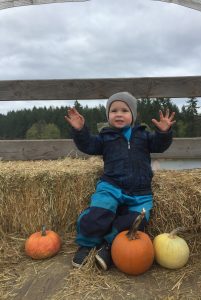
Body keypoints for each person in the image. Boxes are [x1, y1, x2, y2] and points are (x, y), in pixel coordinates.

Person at [65, 91, 175, 270]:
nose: (118, 114)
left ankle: (109, 246)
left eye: (124, 110)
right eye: (113, 110)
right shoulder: (105, 137)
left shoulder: (144, 136)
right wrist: (80, 131)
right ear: (108, 115)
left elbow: (160, 146)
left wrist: (164, 132)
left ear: (133, 115)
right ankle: (87, 244)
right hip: (111, 187)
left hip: (140, 193)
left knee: (135, 222)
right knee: (97, 215)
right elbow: (88, 145)